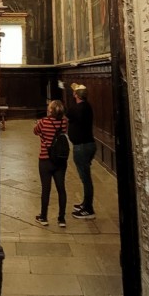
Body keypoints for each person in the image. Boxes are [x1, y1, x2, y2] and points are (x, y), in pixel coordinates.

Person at [33, 100, 68, 227]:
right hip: (60, 160)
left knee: (46, 189)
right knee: (61, 189)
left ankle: (43, 217)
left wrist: (41, 124)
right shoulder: (64, 122)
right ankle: (61, 219)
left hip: (45, 159)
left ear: (50, 110)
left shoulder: (44, 122)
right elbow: (62, 131)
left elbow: (35, 131)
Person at [66, 84, 96, 218]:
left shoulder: (77, 108)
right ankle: (85, 203)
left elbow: (64, 115)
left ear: (76, 95)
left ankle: (88, 209)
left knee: (86, 179)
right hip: (88, 145)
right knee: (86, 176)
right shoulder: (87, 106)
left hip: (82, 147)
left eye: (74, 92)